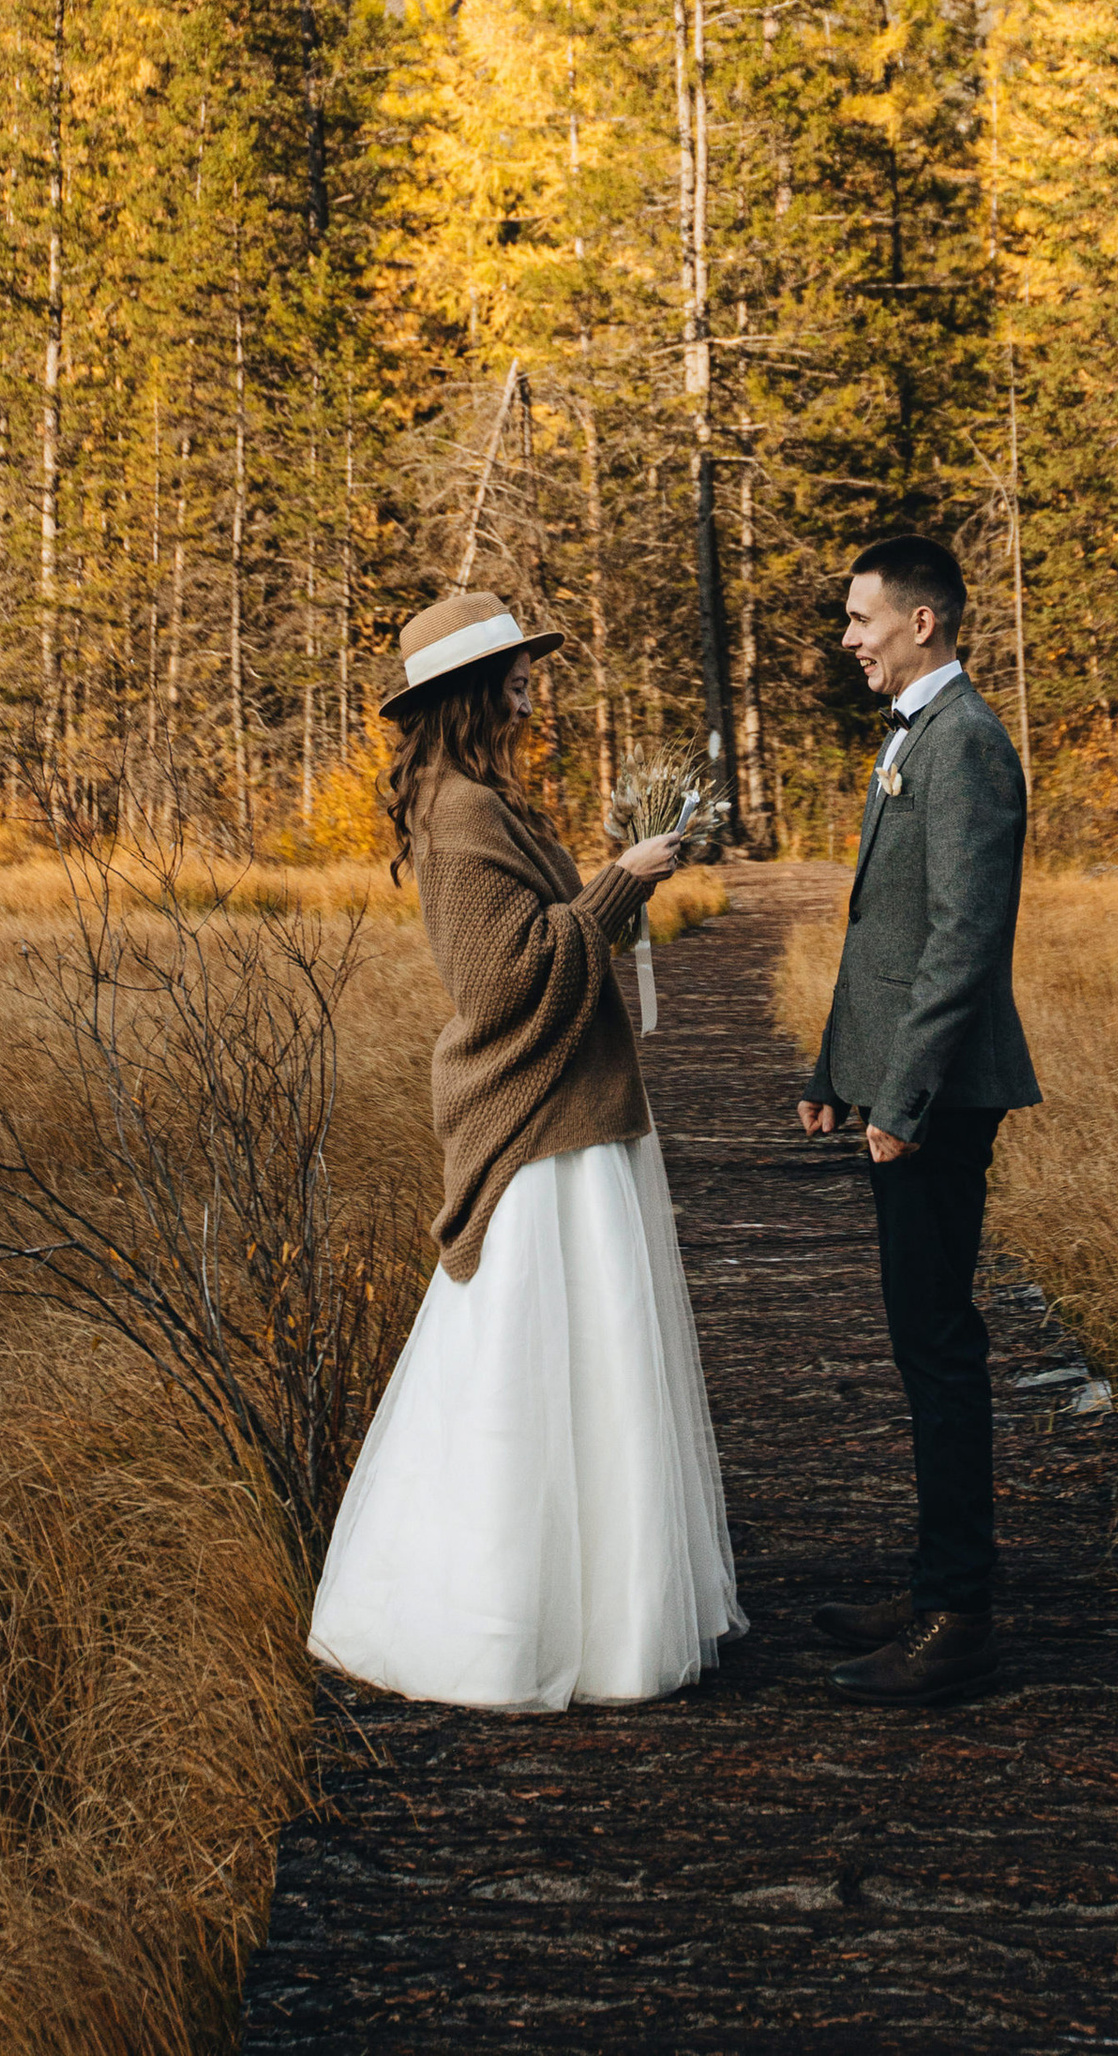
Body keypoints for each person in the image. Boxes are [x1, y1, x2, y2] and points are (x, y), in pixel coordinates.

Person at [308, 588, 743, 1709]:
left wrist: (618, 886)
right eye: (511, 669)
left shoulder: (489, 800)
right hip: (540, 1126)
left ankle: (601, 1615)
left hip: (578, 1111)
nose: (528, 683)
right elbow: (500, 982)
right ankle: (505, 1626)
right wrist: (617, 885)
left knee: (588, 1371)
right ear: (469, 692)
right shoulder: (457, 816)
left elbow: (555, 942)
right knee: (533, 1369)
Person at [798, 532, 1041, 1704]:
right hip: (901, 1086)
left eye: (861, 619)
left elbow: (961, 940)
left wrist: (901, 1098)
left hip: (941, 1097)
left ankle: (959, 1618)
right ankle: (934, 1580)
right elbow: (879, 930)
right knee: (919, 1342)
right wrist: (834, 1067)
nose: (848, 640)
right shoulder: (917, 738)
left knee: (939, 1351)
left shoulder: (970, 746)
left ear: (923, 622)